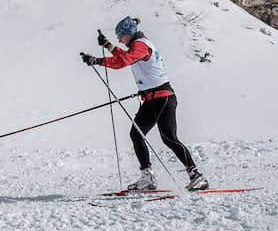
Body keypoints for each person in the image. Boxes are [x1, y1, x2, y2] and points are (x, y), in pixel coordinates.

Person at [80, 16, 209, 191]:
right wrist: (108, 46)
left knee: (169, 138)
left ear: (129, 33)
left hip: (162, 97)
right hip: (151, 99)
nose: (119, 39)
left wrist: (97, 60)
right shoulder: (137, 45)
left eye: (120, 36)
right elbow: (126, 56)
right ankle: (147, 177)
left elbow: (123, 62)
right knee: (136, 135)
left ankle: (197, 176)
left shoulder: (141, 45)